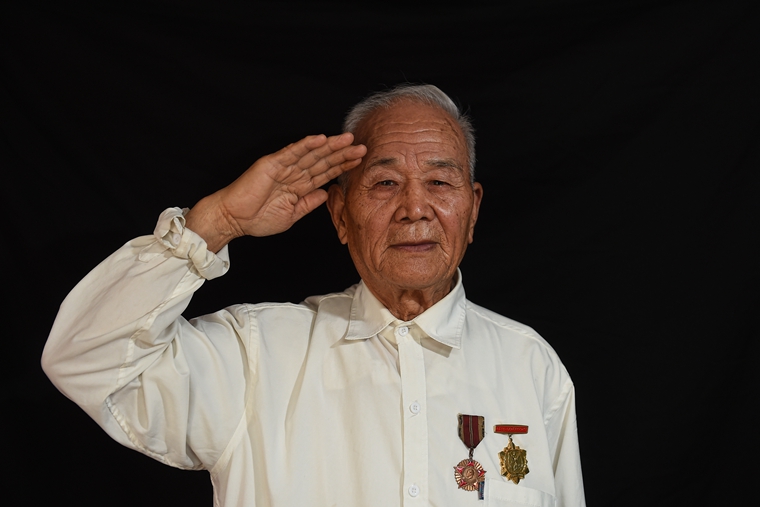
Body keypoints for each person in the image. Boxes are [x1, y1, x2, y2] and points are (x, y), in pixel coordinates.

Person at [42, 85, 585, 506]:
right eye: (385, 183)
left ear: (473, 209)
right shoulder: (254, 356)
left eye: (440, 182)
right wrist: (216, 222)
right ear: (340, 215)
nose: (415, 208)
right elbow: (85, 360)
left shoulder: (530, 366)